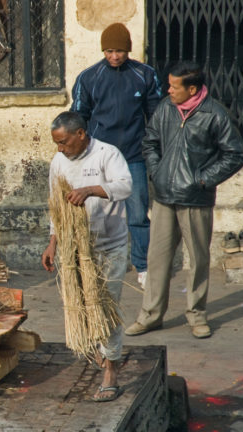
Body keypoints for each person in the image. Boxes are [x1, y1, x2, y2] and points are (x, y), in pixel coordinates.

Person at [125, 62, 243, 339]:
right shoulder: (166, 108)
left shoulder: (214, 114)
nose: (168, 90)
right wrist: (157, 171)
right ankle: (150, 315)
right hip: (165, 198)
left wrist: (202, 180)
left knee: (198, 260)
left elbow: (234, 155)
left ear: (192, 89)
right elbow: (150, 141)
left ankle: (197, 315)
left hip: (195, 199)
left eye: (173, 86)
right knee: (157, 259)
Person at [42, 111, 132, 402]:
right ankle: (101, 351)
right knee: (83, 304)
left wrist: (91, 190)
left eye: (64, 142)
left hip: (110, 245)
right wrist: (52, 243)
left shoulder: (108, 154)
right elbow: (57, 207)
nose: (60, 148)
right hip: (76, 249)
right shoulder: (58, 162)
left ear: (80, 134)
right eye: (56, 143)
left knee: (107, 307)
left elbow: (125, 186)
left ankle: (111, 373)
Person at [71, 22, 161, 288]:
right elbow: (79, 117)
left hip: (133, 154)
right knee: (96, 211)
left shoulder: (144, 75)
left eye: (119, 51)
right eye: (109, 51)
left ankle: (142, 267)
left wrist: (152, 147)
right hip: (99, 157)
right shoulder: (89, 77)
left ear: (128, 50)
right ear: (103, 50)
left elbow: (156, 114)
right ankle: (94, 262)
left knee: (136, 213)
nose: (114, 56)